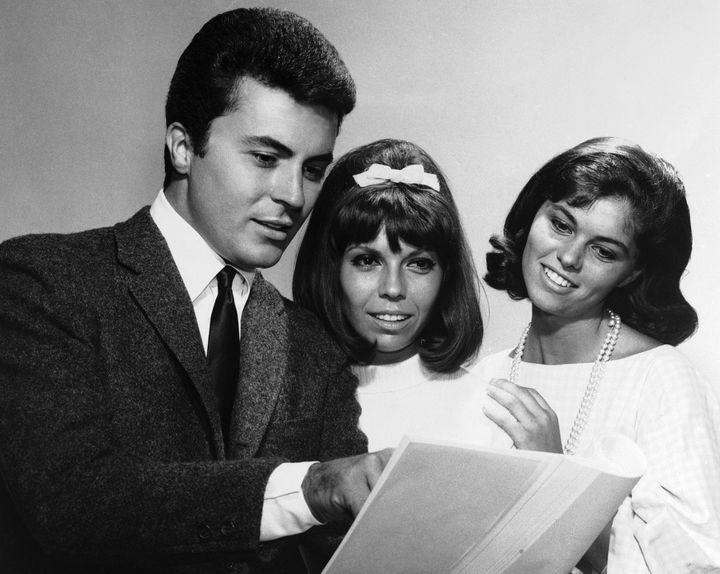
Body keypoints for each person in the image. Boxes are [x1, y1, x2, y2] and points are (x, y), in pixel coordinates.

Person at [0, 8, 391, 573]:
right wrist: (307, 488)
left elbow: (344, 551)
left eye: (312, 169)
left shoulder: (312, 343)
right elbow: (71, 504)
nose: (293, 195)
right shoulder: (42, 283)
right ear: (183, 147)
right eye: (265, 157)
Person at [475, 137, 720, 573]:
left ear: (634, 271)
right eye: (561, 224)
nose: (568, 257)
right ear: (532, 215)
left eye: (603, 251)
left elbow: (688, 567)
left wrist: (556, 477)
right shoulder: (480, 376)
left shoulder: (661, 380)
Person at [293, 138, 510, 451]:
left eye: (419, 264)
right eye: (367, 261)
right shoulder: (281, 400)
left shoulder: (488, 412)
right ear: (329, 268)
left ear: (446, 275)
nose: (393, 288)